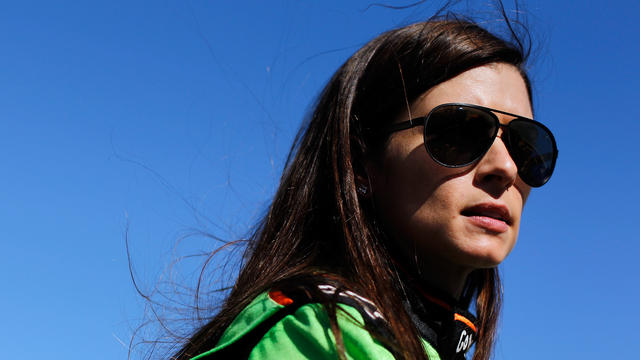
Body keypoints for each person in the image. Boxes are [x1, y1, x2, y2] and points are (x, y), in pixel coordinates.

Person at [173, 14, 558, 360]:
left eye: (526, 147)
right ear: (360, 164)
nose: (506, 168)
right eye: (459, 133)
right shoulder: (314, 337)